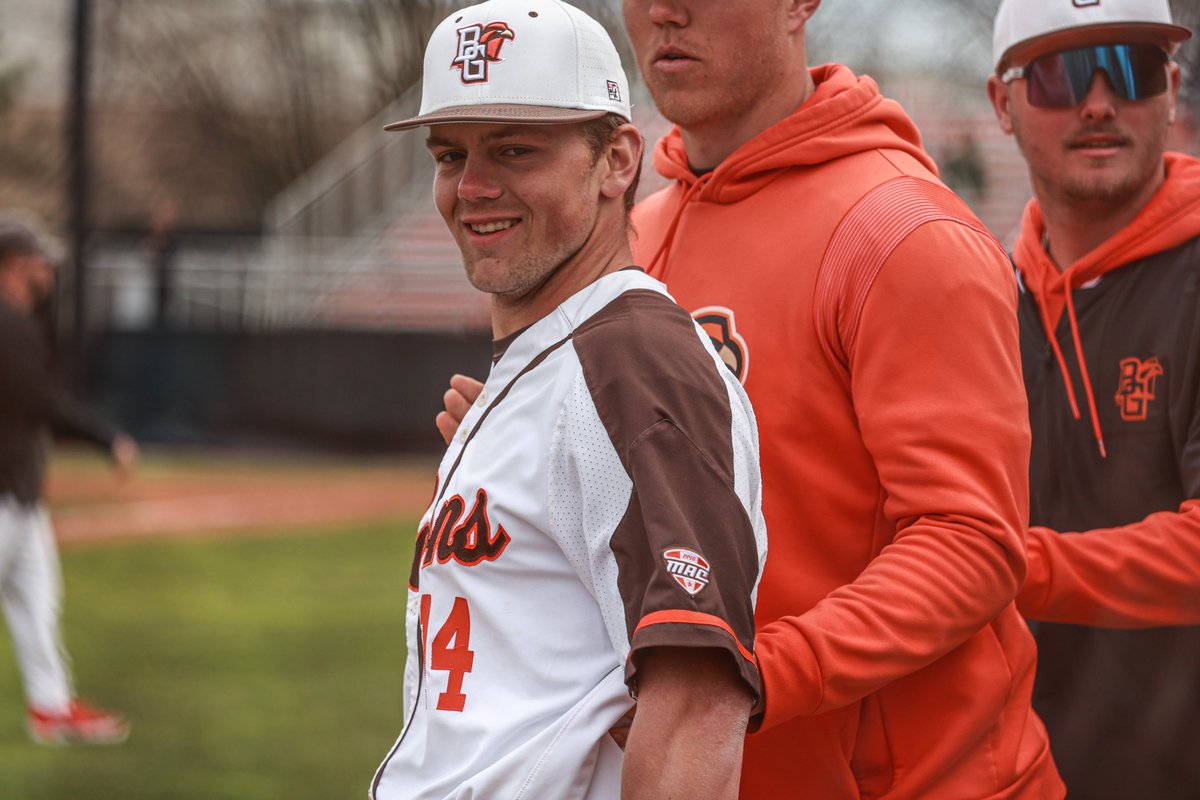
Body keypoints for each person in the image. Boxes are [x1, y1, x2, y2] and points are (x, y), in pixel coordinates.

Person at [440, 0, 1065, 796]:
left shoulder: (903, 232)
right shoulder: (632, 234)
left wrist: (750, 677)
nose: (665, 12)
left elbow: (969, 542)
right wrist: (524, 459)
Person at [371, 2, 767, 798]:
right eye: (451, 156)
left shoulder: (635, 362)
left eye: (515, 150)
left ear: (617, 159)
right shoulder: (562, 365)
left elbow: (696, 708)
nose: (472, 187)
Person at [987, 0, 1199, 796]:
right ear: (1000, 104)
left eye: (1133, 69)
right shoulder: (981, 298)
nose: (1098, 101)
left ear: (1172, 89)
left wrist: (1008, 567)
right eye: (1058, 74)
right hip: (1018, 774)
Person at [0, 214, 137, 745]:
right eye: (39, 264)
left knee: (37, 600)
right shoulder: (8, 325)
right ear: (15, 264)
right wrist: (106, 438)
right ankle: (51, 707)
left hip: (20, 493)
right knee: (35, 598)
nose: (48, 274)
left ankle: (51, 707)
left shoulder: (16, 320)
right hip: (4, 490)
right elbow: (43, 402)